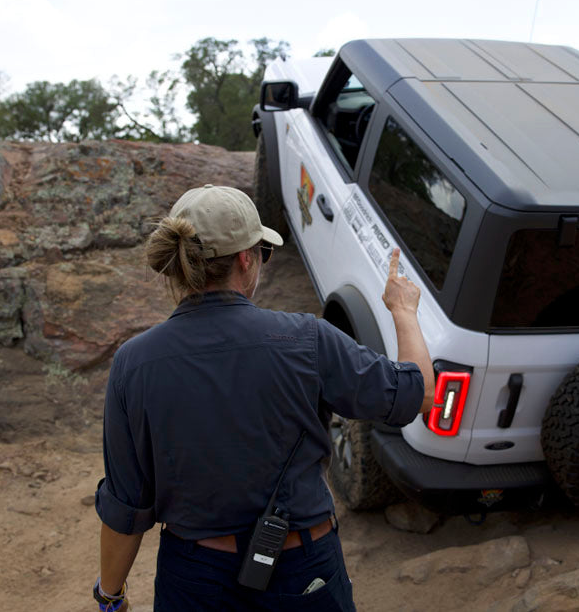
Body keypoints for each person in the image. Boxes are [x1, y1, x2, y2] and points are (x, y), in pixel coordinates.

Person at [93, 184, 433, 611]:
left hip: (192, 578)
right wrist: (402, 310)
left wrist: (110, 595)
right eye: (263, 253)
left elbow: (126, 506)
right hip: (302, 570)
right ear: (245, 259)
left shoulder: (133, 363)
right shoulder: (309, 340)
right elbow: (416, 395)